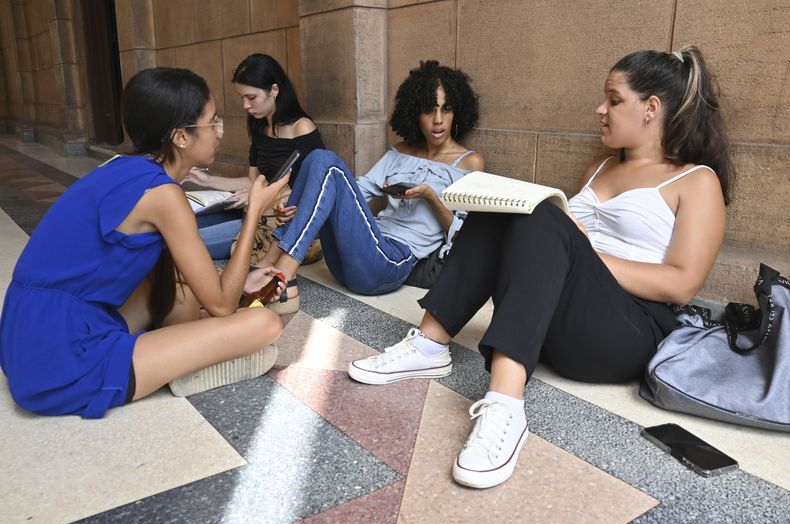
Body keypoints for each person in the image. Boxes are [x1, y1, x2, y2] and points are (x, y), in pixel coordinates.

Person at [348, 46, 732, 489]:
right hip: (557, 324)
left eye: (613, 99)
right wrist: (564, 240)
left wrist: (581, 251)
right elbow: (552, 253)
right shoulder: (601, 167)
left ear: (651, 108)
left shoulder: (696, 180)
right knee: (502, 203)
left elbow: (682, 285)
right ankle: (430, 345)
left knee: (542, 214)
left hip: (627, 334)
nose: (600, 109)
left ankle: (505, 406)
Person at [0, 67, 288, 419]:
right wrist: (254, 211)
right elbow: (223, 306)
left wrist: (240, 280)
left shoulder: (124, 168)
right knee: (265, 324)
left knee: (178, 292)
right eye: (212, 122)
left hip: (27, 335)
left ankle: (180, 353)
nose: (219, 132)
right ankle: (184, 364)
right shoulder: (163, 195)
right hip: (62, 359)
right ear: (181, 136)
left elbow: (179, 276)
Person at [245, 60, 485, 312]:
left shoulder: (469, 163)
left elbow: (463, 236)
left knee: (327, 161)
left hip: (388, 263)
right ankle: (273, 264)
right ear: (415, 113)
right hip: (352, 255)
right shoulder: (399, 152)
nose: (438, 120)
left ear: (457, 111)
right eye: (429, 110)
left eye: (446, 109)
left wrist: (430, 197)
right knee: (318, 159)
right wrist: (303, 199)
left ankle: (281, 274)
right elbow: (356, 191)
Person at [184, 53, 325, 262]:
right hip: (255, 212)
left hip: (279, 222)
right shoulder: (259, 125)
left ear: (274, 91)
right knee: (185, 223)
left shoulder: (301, 127)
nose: (245, 106)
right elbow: (252, 181)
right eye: (242, 98)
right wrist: (206, 180)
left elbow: (319, 187)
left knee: (187, 243)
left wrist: (259, 196)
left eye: (251, 98)